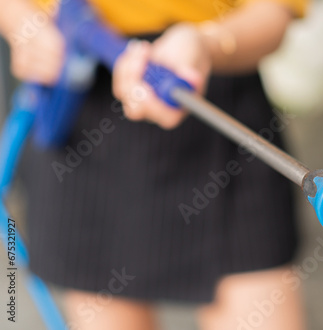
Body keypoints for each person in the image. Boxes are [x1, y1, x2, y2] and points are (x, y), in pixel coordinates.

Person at [0, 0, 307, 329]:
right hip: (79, 116)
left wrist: (206, 43)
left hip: (217, 99)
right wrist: (21, 23)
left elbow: (275, 10)